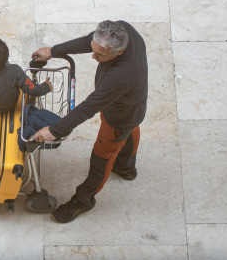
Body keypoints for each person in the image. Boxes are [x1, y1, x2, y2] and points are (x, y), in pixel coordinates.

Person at [31, 20, 147, 224]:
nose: (93, 57)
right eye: (95, 51)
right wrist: (53, 51)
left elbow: (88, 107)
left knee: (101, 158)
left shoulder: (120, 76)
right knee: (130, 131)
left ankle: (83, 200)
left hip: (118, 118)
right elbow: (89, 42)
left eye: (100, 55)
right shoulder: (123, 30)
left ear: (119, 52)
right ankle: (126, 168)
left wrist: (56, 129)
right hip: (132, 107)